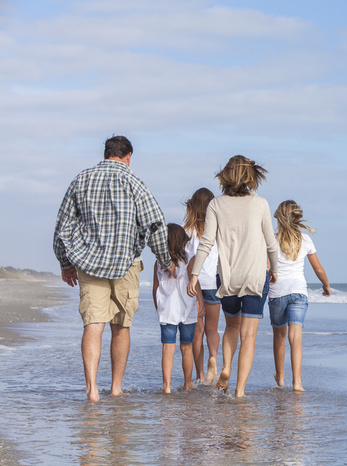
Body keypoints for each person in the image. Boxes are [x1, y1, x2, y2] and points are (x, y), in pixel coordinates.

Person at [53, 135, 175, 402]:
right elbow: (155, 225)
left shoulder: (81, 180)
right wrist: (166, 261)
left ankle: (92, 390)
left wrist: (65, 263)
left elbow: (63, 227)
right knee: (121, 326)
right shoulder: (134, 182)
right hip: (126, 264)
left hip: (88, 263)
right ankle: (116, 388)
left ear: (106, 153)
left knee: (93, 325)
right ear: (128, 156)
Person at [187, 155, 278, 398]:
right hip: (255, 277)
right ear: (250, 176)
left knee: (231, 327)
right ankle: (239, 391)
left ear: (226, 175)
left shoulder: (216, 205)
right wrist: (275, 269)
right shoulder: (260, 204)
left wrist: (194, 274)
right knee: (249, 335)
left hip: (226, 279)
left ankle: (226, 366)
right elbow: (271, 244)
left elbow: (206, 243)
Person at [268, 200, 331, 392]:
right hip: (298, 292)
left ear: (278, 218)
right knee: (296, 338)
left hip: (277, 293)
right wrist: (326, 285)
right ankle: (297, 383)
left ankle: (280, 379)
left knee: (279, 336)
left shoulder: (272, 239)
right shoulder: (305, 240)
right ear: (297, 218)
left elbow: (267, 268)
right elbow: (318, 268)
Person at [152, 224, 204, 394]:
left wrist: (157, 306)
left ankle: (166, 386)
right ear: (182, 242)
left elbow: (155, 287)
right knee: (186, 348)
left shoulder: (158, 263)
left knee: (168, 349)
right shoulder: (190, 259)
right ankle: (187, 384)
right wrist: (201, 302)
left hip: (167, 311)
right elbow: (195, 284)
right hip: (187, 310)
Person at [183, 188, 221, 383]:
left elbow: (183, 261)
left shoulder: (186, 230)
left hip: (193, 285)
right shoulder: (217, 229)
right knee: (212, 329)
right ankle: (213, 356)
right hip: (213, 283)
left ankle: (200, 376)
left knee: (197, 331)